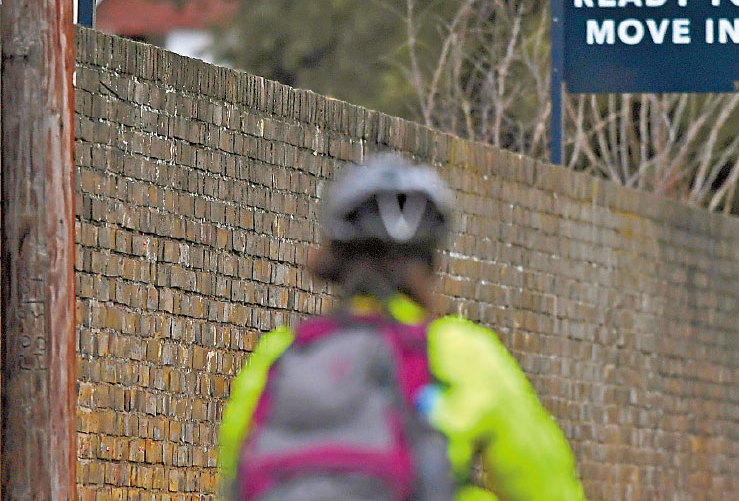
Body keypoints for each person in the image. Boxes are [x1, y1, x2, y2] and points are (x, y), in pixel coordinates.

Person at [216, 153, 585, 501]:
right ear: (431, 264)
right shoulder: (462, 352)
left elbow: (236, 478)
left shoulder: (281, 354)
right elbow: (545, 486)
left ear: (335, 260)